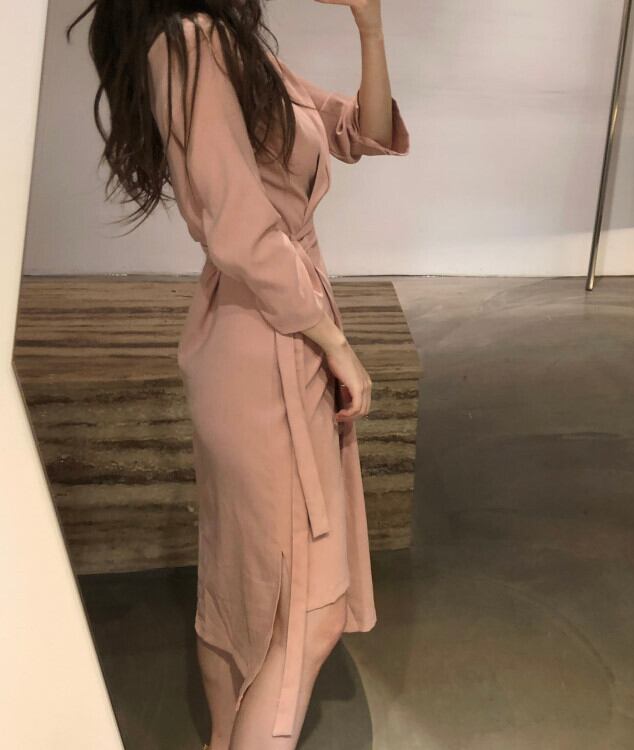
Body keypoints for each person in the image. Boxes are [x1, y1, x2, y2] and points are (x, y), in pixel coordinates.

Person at [69, 1, 410, 747]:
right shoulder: (194, 44)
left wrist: (370, 25)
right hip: (266, 346)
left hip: (267, 329)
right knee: (308, 612)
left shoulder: (227, 45)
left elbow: (362, 131)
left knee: (245, 591)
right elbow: (240, 228)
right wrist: (335, 344)